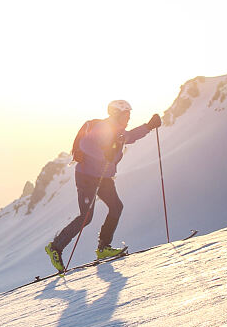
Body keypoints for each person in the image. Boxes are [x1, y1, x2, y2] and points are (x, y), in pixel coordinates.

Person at [44, 100, 162, 271]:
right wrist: (104, 154)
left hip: (104, 177)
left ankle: (103, 248)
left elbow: (131, 136)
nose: (128, 118)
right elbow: (86, 145)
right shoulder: (102, 128)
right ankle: (55, 247)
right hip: (86, 177)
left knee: (116, 207)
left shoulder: (119, 132)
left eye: (129, 115)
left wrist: (149, 126)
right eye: (126, 114)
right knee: (86, 217)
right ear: (116, 114)